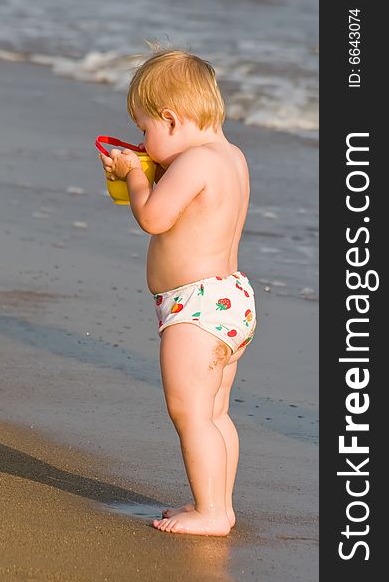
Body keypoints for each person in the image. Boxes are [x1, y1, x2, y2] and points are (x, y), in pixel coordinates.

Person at [99, 46, 256, 536]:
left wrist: (135, 178)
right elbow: (195, 211)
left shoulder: (192, 164)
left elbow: (154, 218)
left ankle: (210, 513)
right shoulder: (229, 156)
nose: (144, 139)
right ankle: (220, 506)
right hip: (232, 299)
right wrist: (153, 170)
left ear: (171, 118)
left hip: (196, 309)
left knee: (189, 413)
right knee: (215, 413)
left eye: (146, 129)